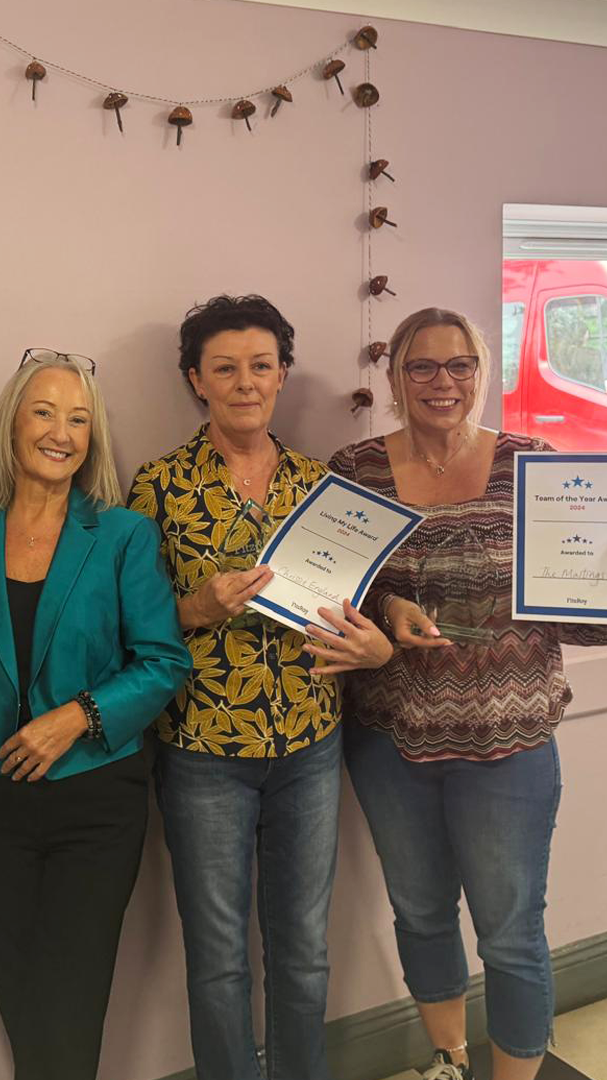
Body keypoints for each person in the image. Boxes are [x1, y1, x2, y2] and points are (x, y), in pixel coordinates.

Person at [328, 307, 607, 1080]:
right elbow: (332, 589)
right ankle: (448, 1063)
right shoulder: (357, 470)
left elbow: (585, 617)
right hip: (390, 741)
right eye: (422, 366)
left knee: (511, 932)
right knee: (418, 915)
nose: (442, 382)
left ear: (483, 375)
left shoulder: (535, 467)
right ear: (394, 378)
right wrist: (383, 612)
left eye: (460, 366)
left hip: (509, 746)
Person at [128, 295, 393, 1080]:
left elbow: (356, 611)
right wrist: (196, 607)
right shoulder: (158, 487)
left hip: (311, 747)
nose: (246, 382)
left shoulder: (324, 488)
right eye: (225, 368)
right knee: (217, 962)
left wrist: (374, 644)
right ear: (196, 380)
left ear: (282, 374)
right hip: (202, 753)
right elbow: (130, 630)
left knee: (304, 955)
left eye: (261, 365)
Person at [0, 349, 192, 1080]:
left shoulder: (124, 535)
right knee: (18, 990)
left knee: (71, 997)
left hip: (96, 799)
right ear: (12, 423)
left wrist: (77, 715)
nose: (61, 432)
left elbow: (165, 661)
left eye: (79, 418)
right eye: (44, 411)